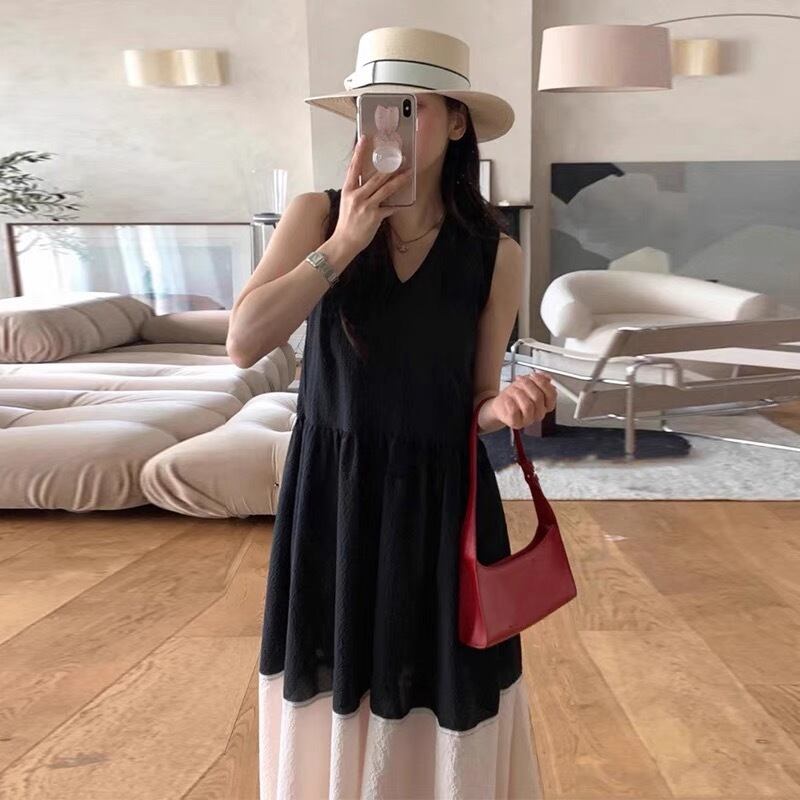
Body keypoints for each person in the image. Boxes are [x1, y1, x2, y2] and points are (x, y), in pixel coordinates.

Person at [228, 25, 556, 800]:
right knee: (333, 671)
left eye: (408, 106)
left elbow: (477, 398)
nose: (385, 125)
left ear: (457, 121)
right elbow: (243, 342)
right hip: (332, 496)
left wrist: (506, 406)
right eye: (372, 106)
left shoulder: (496, 253)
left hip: (443, 498)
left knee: (444, 679)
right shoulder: (316, 215)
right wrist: (345, 242)